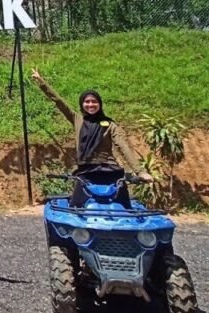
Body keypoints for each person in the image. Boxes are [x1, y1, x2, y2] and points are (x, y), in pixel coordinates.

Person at [29, 68, 149, 208]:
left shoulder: (109, 124)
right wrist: (42, 82)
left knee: (124, 206)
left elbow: (123, 146)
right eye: (87, 101)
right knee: (77, 207)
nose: (90, 104)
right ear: (82, 104)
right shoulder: (77, 119)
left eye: (94, 102)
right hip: (86, 171)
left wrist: (140, 171)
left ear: (99, 104)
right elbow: (59, 102)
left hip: (110, 170)